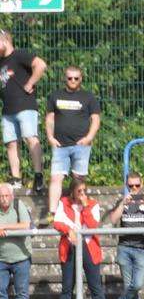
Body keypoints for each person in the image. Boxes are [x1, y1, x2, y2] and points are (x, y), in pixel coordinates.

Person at [51, 176, 108, 299]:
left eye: (84, 191)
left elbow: (92, 225)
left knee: (94, 284)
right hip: (69, 245)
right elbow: (57, 222)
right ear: (73, 192)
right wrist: (68, 230)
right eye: (79, 191)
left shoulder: (93, 205)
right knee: (67, 285)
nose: (82, 194)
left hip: (89, 246)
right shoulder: (64, 203)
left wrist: (86, 207)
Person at [43, 66, 100, 214]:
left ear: (81, 79)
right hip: (60, 146)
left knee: (79, 179)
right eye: (70, 78)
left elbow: (96, 119)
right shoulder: (55, 96)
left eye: (76, 78)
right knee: (56, 178)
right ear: (65, 79)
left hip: (81, 146)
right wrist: (50, 137)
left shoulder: (88, 97)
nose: (73, 81)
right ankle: (52, 213)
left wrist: (89, 138)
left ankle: (79, 209)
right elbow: (49, 118)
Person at [0, 30, 48, 191]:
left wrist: (30, 83)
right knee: (11, 144)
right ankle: (16, 178)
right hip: (7, 110)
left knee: (30, 138)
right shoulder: (1, 63)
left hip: (25, 106)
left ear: (5, 40)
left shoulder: (19, 55)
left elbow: (40, 64)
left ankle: (38, 176)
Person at [0, 182, 32, 299]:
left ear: (12, 196)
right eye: (1, 196)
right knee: (0, 288)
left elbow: (25, 225)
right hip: (2, 258)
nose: (4, 199)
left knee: (22, 291)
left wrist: (4, 228)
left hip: (21, 257)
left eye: (6, 196)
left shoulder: (19, 206)